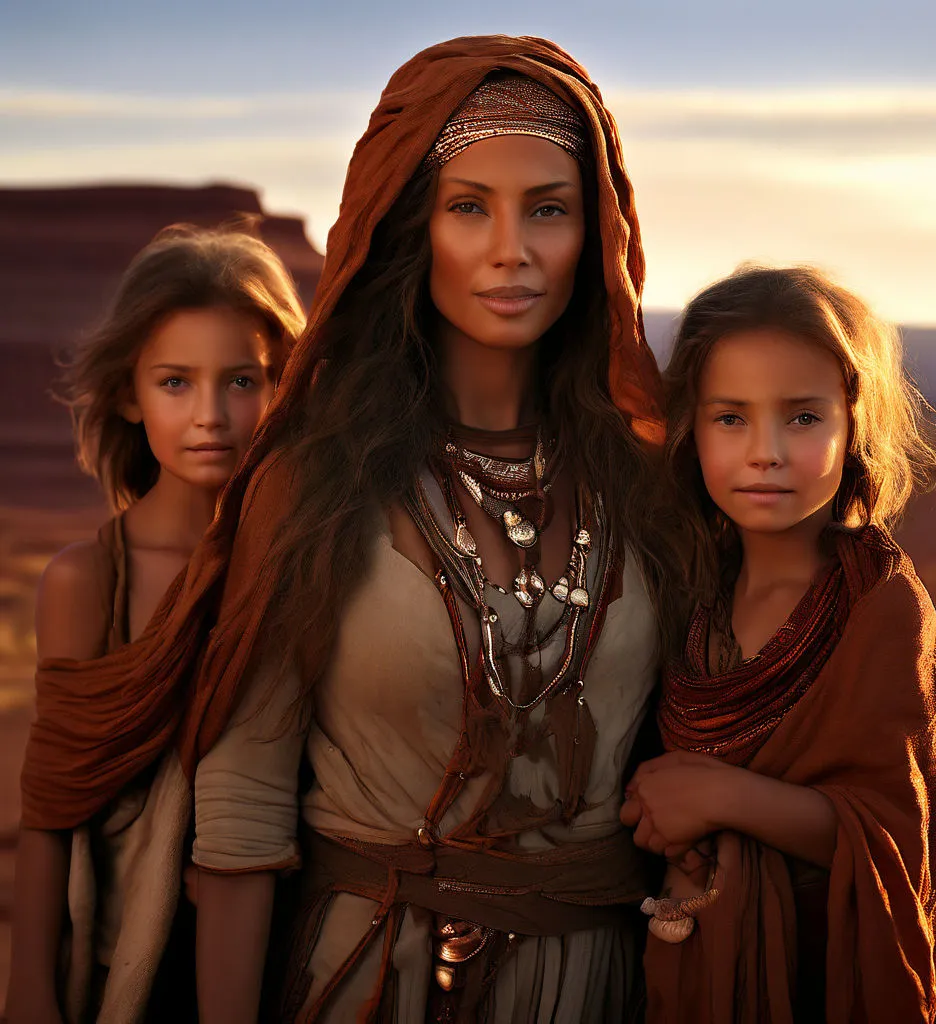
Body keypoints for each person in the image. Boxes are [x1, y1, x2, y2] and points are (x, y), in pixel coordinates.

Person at [19, 35, 669, 1023]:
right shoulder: (315, 482)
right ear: (411, 226)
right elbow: (241, 818)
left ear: (596, 233)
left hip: (600, 988)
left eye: (548, 209)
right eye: (467, 208)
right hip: (364, 980)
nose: (512, 249)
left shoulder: (647, 488)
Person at [622, 265, 936, 1023]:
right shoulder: (684, 593)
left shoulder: (879, 604)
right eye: (731, 418)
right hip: (690, 975)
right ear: (689, 426)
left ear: (854, 424)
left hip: (826, 979)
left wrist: (726, 797)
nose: (766, 452)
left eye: (802, 418)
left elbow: (903, 841)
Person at [7, 226, 304, 1024]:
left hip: (296, 951)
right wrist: (30, 984)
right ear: (130, 396)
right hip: (127, 960)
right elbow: (52, 802)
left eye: (241, 381)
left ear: (281, 389)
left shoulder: (307, 570)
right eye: (175, 383)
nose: (211, 415)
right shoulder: (89, 580)